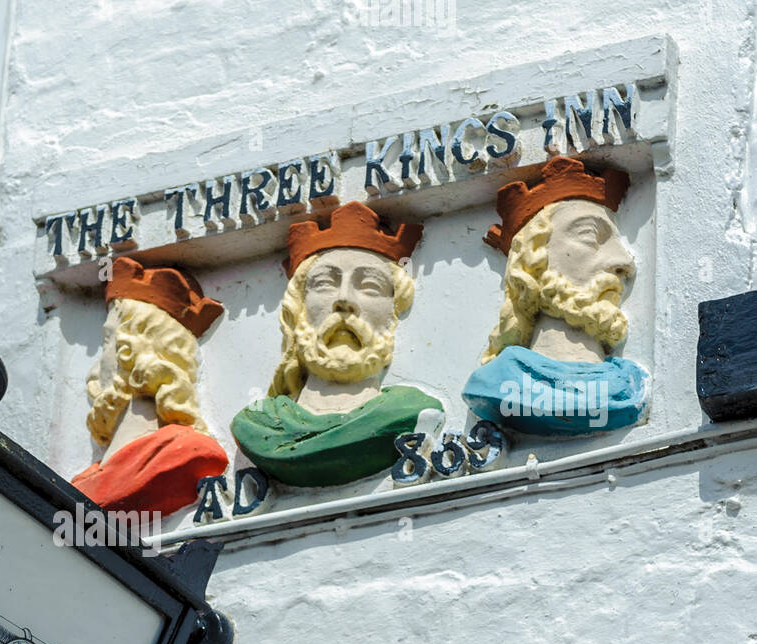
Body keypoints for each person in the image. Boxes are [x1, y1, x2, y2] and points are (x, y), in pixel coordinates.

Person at [231, 202, 443, 488]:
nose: (344, 299)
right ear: (299, 309)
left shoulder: (412, 412)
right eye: (324, 284)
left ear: (393, 313)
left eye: (369, 285)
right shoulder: (258, 425)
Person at [461, 155, 648, 436]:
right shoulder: (500, 384)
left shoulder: (630, 385)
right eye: (589, 235)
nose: (624, 262)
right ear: (532, 262)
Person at [72, 258, 228, 517]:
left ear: (136, 351)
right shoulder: (80, 487)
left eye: (107, 340)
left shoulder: (188, 453)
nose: (97, 366)